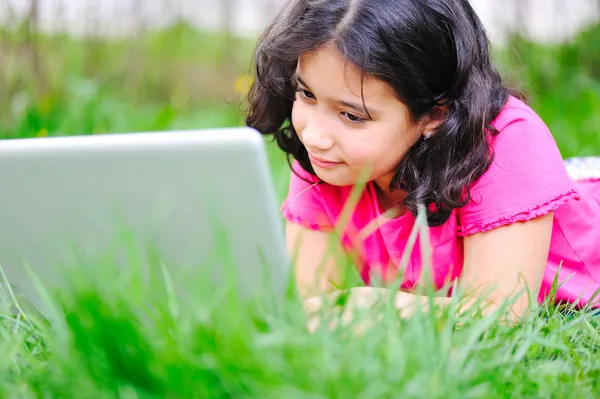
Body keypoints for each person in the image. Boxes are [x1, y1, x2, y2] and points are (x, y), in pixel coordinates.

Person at [245, 0, 600, 320]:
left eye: (352, 116)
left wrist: (372, 304)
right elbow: (308, 306)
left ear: (435, 114)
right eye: (307, 94)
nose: (313, 135)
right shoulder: (328, 156)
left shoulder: (504, 139)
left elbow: (500, 313)